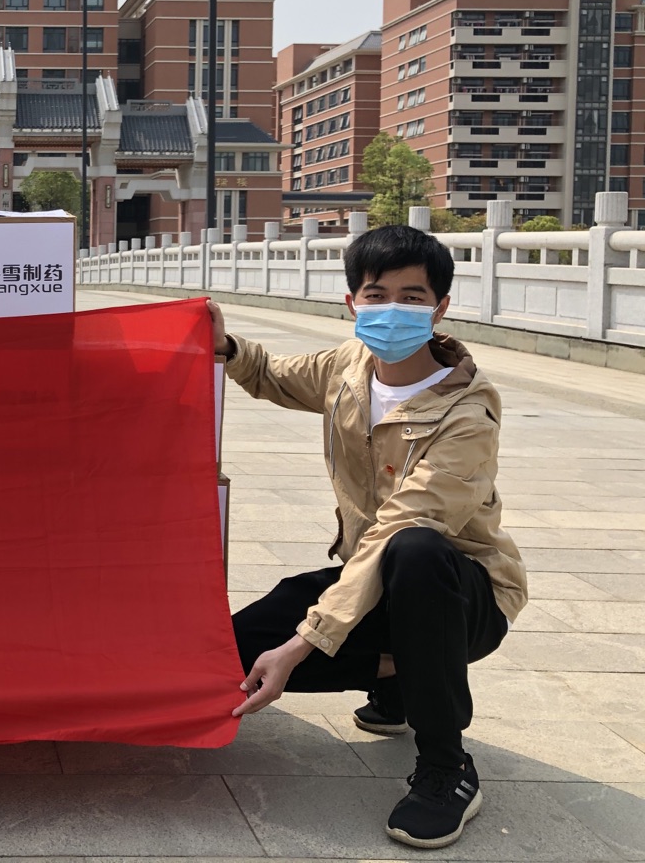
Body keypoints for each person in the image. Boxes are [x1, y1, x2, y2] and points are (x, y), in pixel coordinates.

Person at [215, 224, 526, 850]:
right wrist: (221, 345)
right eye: (376, 294)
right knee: (232, 652)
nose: (392, 310)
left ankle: (446, 769)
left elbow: (403, 527)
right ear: (352, 302)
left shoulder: (468, 413)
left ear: (440, 308)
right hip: (377, 576)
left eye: (413, 297)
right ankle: (396, 674)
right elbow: (273, 373)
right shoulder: (348, 367)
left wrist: (305, 642)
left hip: (463, 596)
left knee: (415, 550)